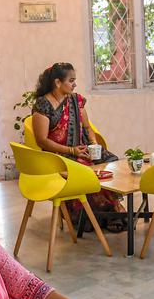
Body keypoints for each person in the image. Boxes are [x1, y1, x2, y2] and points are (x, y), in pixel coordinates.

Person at [29, 62, 124, 231]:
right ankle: (89, 216)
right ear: (58, 83)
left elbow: (87, 128)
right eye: (71, 80)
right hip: (58, 155)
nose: (75, 84)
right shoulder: (43, 105)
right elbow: (41, 141)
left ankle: (113, 208)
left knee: (110, 160)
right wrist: (71, 150)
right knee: (87, 170)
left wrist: (94, 145)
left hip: (81, 149)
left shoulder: (76, 100)